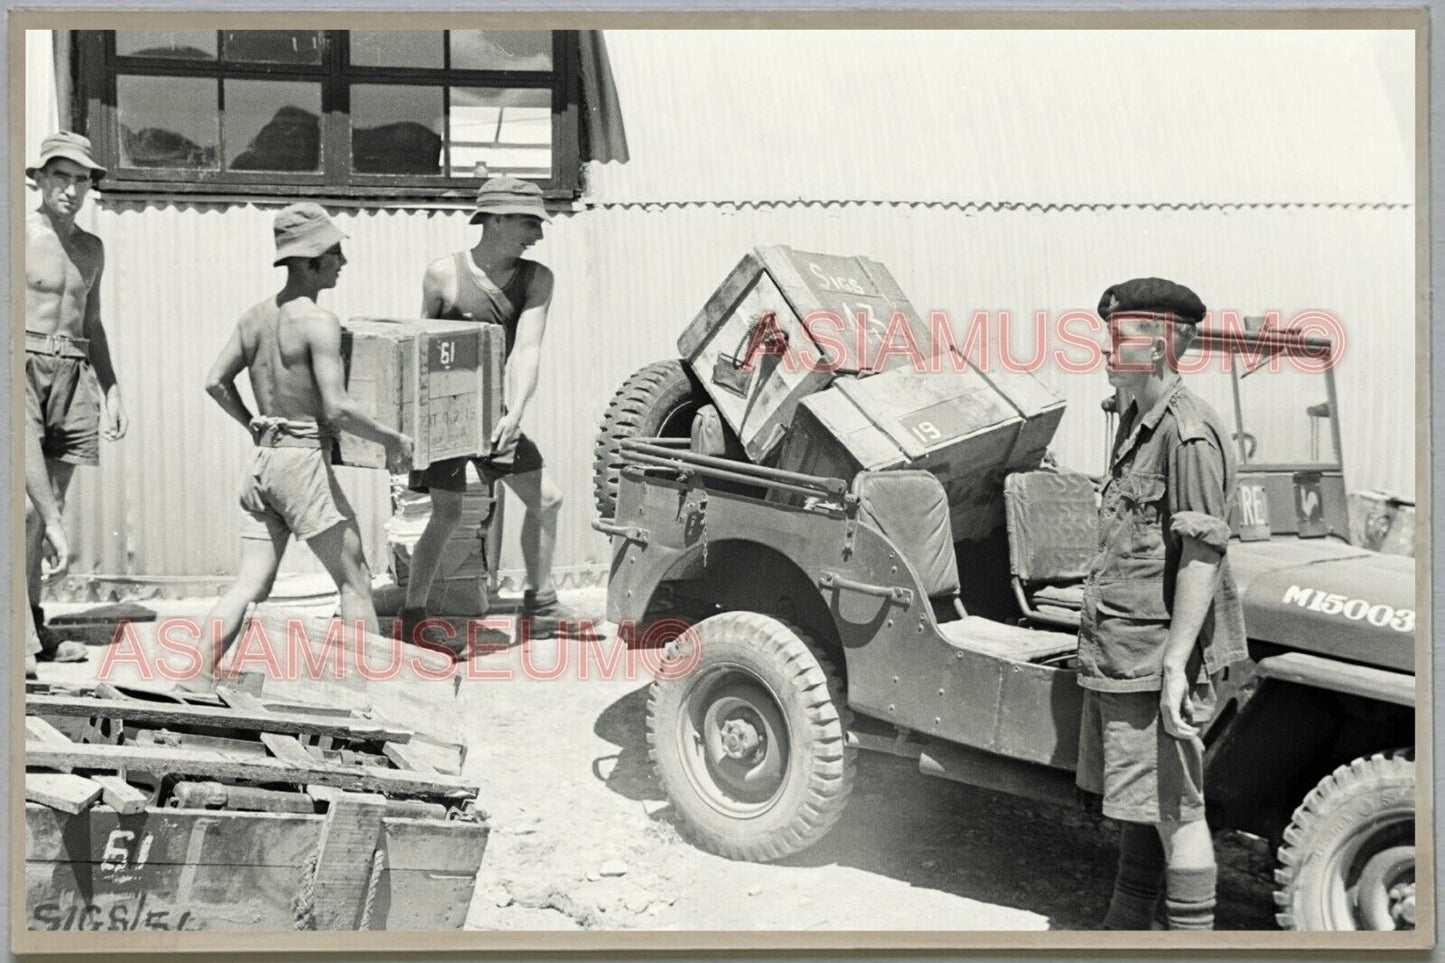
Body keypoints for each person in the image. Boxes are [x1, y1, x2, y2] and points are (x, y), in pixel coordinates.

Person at [1076, 278, 1248, 930]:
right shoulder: (1132, 420)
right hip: (1127, 649)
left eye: (1118, 338)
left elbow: (1201, 554)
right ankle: (1123, 930)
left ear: (1159, 345)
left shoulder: (1187, 434)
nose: (1104, 350)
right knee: (1142, 800)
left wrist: (1177, 662)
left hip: (1155, 656)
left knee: (1177, 810)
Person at [184, 204, 412, 690]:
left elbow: (214, 382)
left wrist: (253, 425)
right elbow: (337, 409)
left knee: (250, 585)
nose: (342, 263)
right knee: (355, 580)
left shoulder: (253, 319)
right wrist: (393, 440)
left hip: (263, 463)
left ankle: (195, 676)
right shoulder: (317, 321)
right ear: (309, 261)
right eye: (334, 254)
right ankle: (364, 697)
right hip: (302, 463)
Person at [399, 176, 580, 646]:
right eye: (528, 222)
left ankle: (539, 606)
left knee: (548, 499)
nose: (537, 234)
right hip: (444, 416)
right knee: (447, 514)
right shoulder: (443, 274)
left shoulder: (537, 278)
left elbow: (527, 351)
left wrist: (514, 414)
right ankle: (413, 615)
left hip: (496, 413)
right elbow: (420, 347)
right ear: (495, 219)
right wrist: (417, 427)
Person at [24, 132, 126, 667]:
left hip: (73, 371)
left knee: (47, 512)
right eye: (59, 176)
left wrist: (110, 389)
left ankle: (33, 627)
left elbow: (93, 322)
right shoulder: (17, 234)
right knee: (23, 509)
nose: (69, 188)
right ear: (39, 179)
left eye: (79, 179)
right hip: (22, 367)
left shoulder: (91, 248)